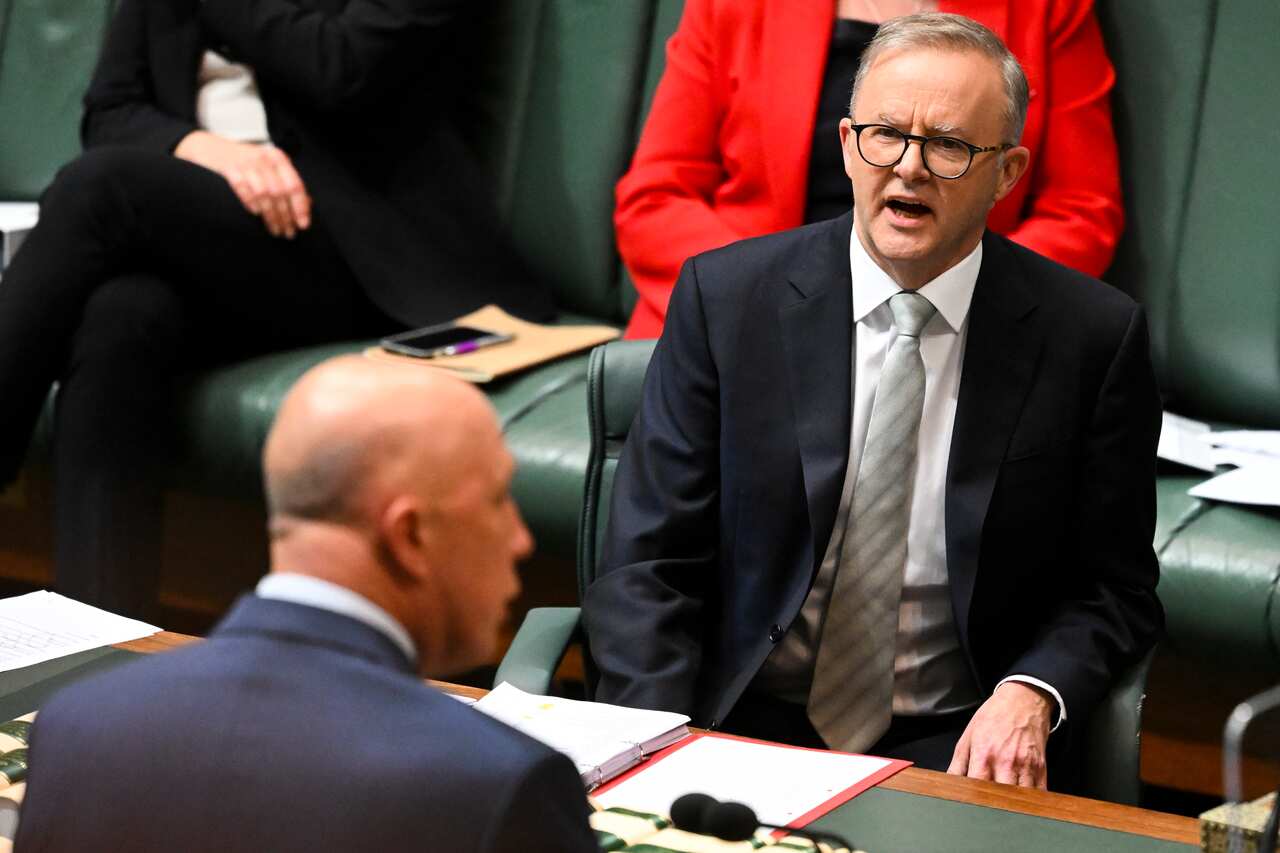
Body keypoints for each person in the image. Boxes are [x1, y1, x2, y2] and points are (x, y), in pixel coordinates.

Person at [584, 13, 1161, 792]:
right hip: (734, 724)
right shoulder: (727, 301)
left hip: (954, 744)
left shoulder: (1092, 339)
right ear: (849, 143)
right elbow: (650, 564)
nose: (909, 168)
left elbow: (1113, 589)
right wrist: (657, 753)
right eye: (886, 135)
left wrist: (1031, 692)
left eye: (950, 146)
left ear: (1009, 170)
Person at [0, 0, 551, 620]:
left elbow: (339, 72)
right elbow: (111, 111)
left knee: (96, 189)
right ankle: (93, 647)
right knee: (123, 317)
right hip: (212, 235)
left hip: (355, 249)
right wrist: (201, 146)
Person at [14, 356, 598, 852]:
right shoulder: (499, 784)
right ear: (410, 536)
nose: (520, 538)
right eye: (497, 502)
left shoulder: (78, 726)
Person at [616, 0, 1123, 339]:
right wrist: (782, 301)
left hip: (945, 331)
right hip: (743, 324)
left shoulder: (1047, 8)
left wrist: (942, 305)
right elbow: (655, 199)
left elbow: (1081, 213)